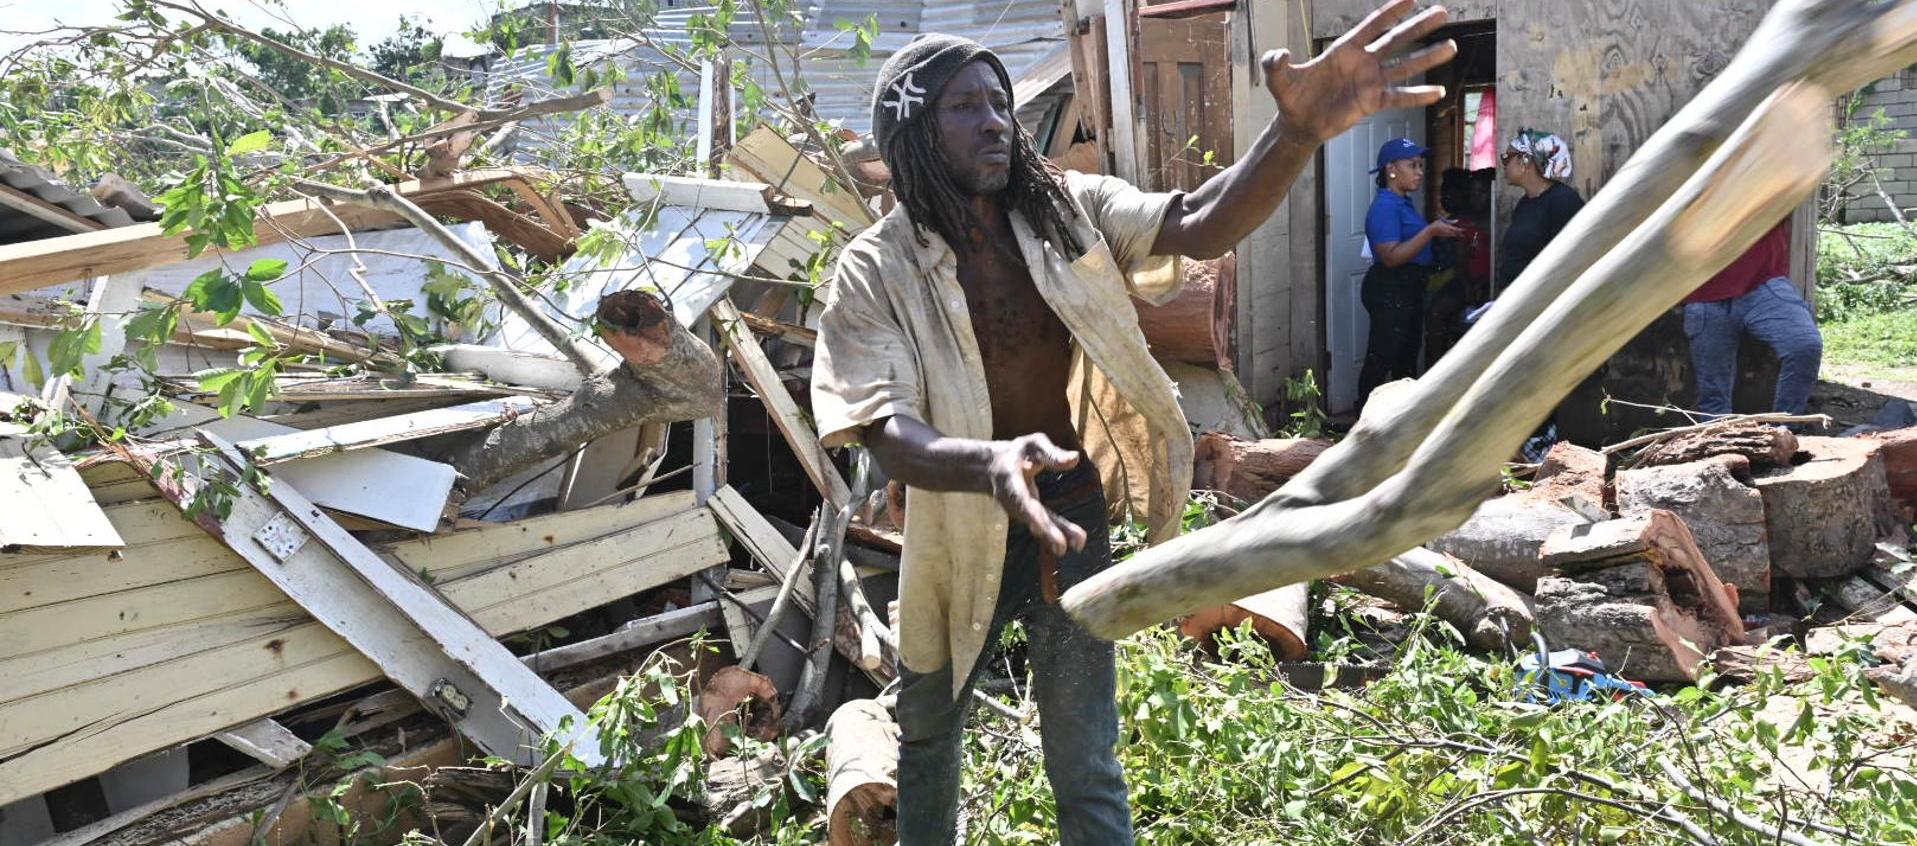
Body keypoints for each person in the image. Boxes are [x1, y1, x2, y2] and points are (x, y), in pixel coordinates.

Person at [809, 3, 1456, 842]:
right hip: (956, 523)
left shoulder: (1060, 210)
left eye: (999, 102)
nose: (995, 121)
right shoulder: (876, 270)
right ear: (910, 135)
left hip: (1070, 517)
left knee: (1084, 749)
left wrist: (1293, 134)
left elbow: (1195, 221)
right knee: (931, 732)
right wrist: (990, 462)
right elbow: (885, 429)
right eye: (964, 107)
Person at [1683, 219, 1823, 415]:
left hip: (1764, 282)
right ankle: (1718, 441)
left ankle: (1785, 430)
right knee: (1713, 398)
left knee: (1804, 345)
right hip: (1703, 292)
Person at [1359, 138, 1461, 403]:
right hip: (1391, 285)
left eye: (1420, 165)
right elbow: (1390, 257)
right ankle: (1362, 421)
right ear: (1391, 170)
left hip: (1408, 287)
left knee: (1405, 356)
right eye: (1412, 165)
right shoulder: (1384, 207)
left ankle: (1397, 420)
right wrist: (1430, 231)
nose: (1420, 171)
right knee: (1383, 355)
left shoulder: (1403, 202)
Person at [1498, 129, 1584, 291]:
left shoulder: (1564, 201)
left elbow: (1569, 260)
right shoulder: (1525, 203)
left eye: (1507, 158)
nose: (1504, 164)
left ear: (1526, 161)